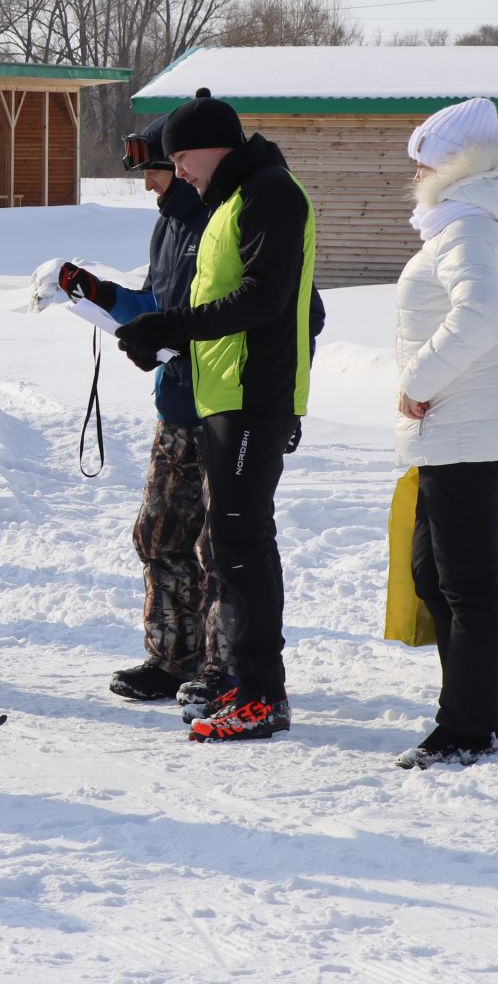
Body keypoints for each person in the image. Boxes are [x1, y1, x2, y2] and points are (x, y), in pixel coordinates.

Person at [116, 91, 318, 743]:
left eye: (181, 157)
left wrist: (170, 325)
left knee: (240, 542)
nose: (179, 171)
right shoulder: (228, 200)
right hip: (219, 395)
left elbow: (264, 297)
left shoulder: (270, 193)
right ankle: (239, 678)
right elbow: (206, 302)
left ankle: (262, 694)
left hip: (255, 396)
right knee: (230, 546)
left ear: (210, 147)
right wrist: (164, 333)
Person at [391, 98, 498, 769]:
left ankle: (468, 727)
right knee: (434, 575)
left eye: (423, 160)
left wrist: (419, 381)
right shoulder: (466, 222)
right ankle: (478, 708)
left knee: (466, 585)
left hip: (467, 427)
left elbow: (479, 314)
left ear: (453, 164)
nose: (413, 173)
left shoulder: (470, 228)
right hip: (461, 427)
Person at [59, 116, 221, 706]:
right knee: (159, 537)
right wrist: (103, 296)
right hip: (176, 405)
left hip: (224, 410)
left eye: (152, 171)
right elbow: (157, 305)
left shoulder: (221, 220)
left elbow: (257, 312)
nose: (149, 185)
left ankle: (221, 668)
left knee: (220, 548)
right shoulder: (170, 227)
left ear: (179, 163)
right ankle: (173, 657)